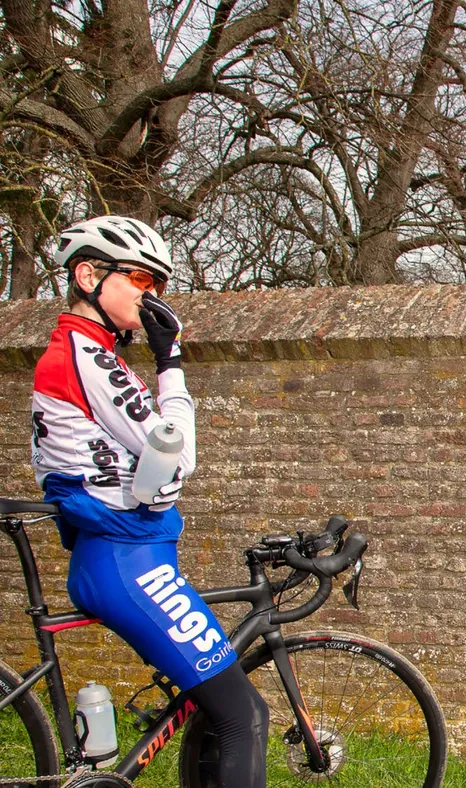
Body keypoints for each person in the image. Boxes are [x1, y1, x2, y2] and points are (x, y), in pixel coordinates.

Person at [30, 216, 268, 787]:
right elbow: (177, 453)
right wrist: (171, 364)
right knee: (243, 715)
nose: (150, 294)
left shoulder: (91, 354)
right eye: (138, 277)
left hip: (126, 553)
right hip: (125, 560)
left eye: (158, 284)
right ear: (88, 275)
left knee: (222, 708)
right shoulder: (88, 358)